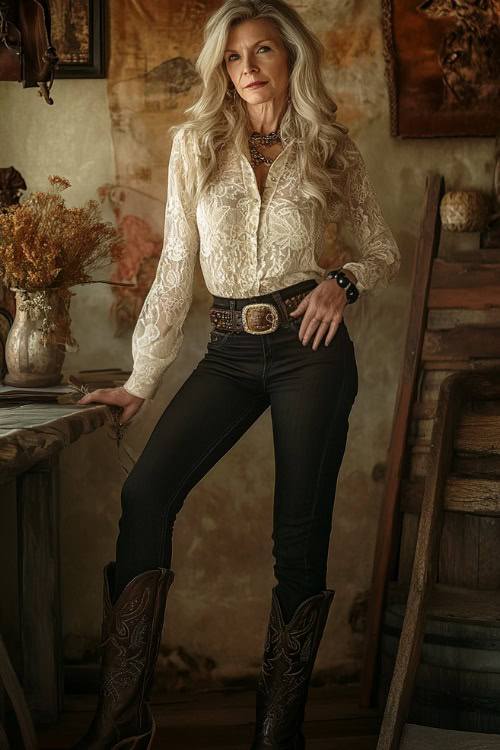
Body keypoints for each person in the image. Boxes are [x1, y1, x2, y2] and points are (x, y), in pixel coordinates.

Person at [73, 1, 401, 748]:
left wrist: (340, 283)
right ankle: (120, 723)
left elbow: (380, 248)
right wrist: (142, 379)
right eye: (232, 57)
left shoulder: (332, 148)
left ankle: (276, 735)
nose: (247, 70)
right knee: (147, 492)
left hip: (308, 350)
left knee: (297, 535)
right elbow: (178, 269)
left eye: (261, 53)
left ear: (290, 58)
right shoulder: (195, 144)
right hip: (227, 348)